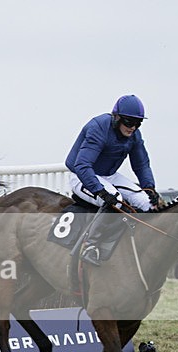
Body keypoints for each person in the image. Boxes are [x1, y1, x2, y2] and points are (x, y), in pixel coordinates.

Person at [65, 94, 160, 266]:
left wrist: (150, 188)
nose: (133, 127)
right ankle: (90, 246)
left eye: (138, 123)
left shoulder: (135, 135)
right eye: (129, 122)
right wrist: (99, 190)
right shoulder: (98, 128)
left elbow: (141, 165)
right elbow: (82, 165)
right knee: (115, 201)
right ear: (116, 118)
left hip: (109, 175)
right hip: (82, 176)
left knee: (147, 203)